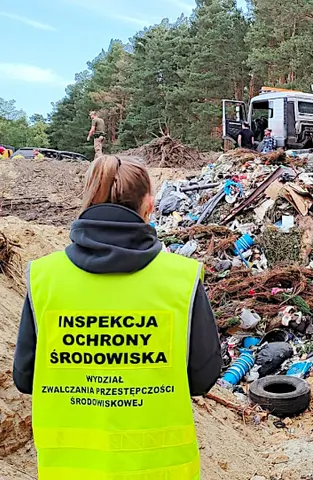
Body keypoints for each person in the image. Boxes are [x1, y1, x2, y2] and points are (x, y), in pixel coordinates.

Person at [13, 155, 221, 479]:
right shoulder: (181, 279)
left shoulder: (44, 277)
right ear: (149, 206)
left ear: (88, 201)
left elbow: (25, 378)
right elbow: (203, 378)